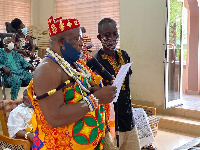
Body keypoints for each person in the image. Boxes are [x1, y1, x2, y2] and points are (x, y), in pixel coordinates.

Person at [27, 16, 117, 149]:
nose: (82, 43)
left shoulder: (75, 63)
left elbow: (81, 94)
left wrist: (96, 90)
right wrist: (96, 99)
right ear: (62, 42)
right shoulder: (47, 70)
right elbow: (55, 117)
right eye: (77, 39)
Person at [88, 18, 141, 150]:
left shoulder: (124, 55)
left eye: (115, 34)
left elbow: (126, 88)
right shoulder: (94, 63)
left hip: (129, 120)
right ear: (99, 37)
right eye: (107, 35)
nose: (112, 38)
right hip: (111, 123)